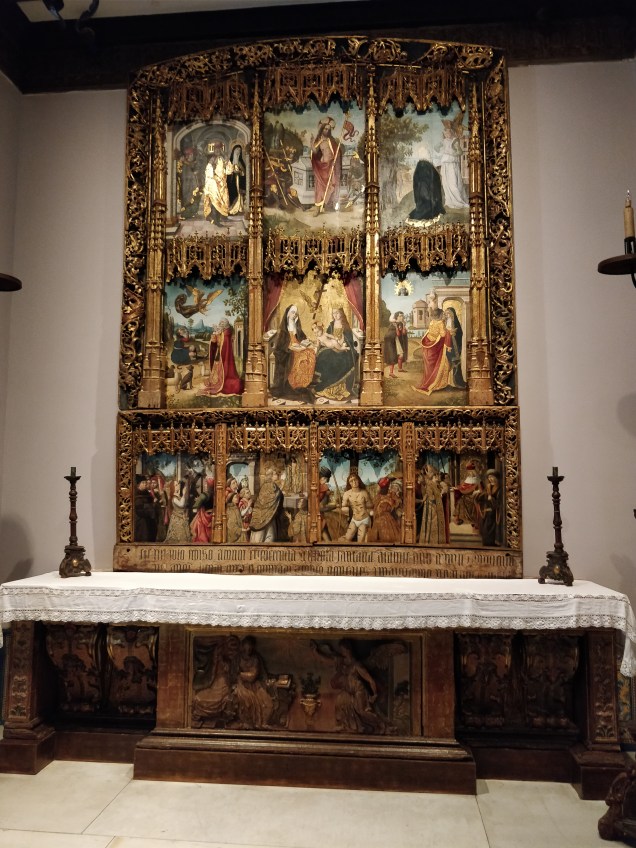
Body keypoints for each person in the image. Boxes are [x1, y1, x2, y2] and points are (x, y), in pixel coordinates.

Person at [312, 307, 358, 403]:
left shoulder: (345, 326)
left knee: (337, 360)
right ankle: (328, 387)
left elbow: (349, 340)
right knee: (325, 357)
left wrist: (343, 343)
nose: (335, 315)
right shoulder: (331, 325)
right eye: (334, 313)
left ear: (342, 313)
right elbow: (327, 337)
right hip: (332, 347)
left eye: (337, 313)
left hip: (343, 349)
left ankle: (339, 388)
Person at [270, 304, 315, 403]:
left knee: (310, 353)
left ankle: (303, 382)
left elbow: (302, 337)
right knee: (299, 356)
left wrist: (305, 342)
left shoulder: (296, 325)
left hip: (297, 346)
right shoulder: (284, 328)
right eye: (292, 312)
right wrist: (289, 348)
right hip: (288, 350)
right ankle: (294, 383)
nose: (294, 315)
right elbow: (281, 344)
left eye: (296, 313)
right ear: (288, 314)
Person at [414, 291, 453, 396]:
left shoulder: (432, 322)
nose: (444, 316)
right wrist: (448, 330)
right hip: (436, 348)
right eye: (443, 315)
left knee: (430, 368)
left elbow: (429, 333)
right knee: (442, 365)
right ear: (440, 315)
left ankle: (430, 383)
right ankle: (437, 385)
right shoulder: (440, 323)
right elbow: (443, 334)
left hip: (429, 348)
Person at [199, 318, 244, 397]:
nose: (220, 325)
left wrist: (217, 335)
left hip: (223, 357)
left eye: (221, 324)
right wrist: (215, 336)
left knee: (223, 372)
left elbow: (222, 343)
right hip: (219, 355)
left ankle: (221, 382)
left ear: (225, 325)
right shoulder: (223, 333)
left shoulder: (226, 333)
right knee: (217, 370)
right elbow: (217, 342)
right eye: (220, 323)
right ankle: (216, 381)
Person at [311, 117, 342, 215]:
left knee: (332, 184)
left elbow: (337, 152)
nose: (327, 131)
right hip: (322, 166)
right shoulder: (319, 140)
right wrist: (312, 143)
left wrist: (336, 158)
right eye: (325, 129)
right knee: (320, 187)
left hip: (331, 166)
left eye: (328, 129)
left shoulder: (331, 140)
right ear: (322, 129)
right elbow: (315, 152)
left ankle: (328, 205)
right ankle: (317, 208)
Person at [249, 465, 287, 543]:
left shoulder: (269, 485)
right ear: (271, 476)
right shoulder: (269, 485)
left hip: (269, 514)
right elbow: (273, 497)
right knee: (263, 537)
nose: (277, 475)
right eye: (275, 474)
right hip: (264, 514)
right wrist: (282, 487)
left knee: (270, 536)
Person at [436, 122, 469, 209]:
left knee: (453, 184)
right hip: (445, 165)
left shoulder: (454, 141)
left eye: (449, 132)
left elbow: (460, 152)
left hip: (452, 164)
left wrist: (450, 153)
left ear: (451, 132)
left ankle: (458, 201)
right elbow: (436, 148)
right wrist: (441, 150)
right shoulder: (443, 141)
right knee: (446, 184)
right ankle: (449, 201)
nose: (447, 134)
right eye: (445, 133)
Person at [203, 141, 235, 226]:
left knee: (224, 200)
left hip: (222, 183)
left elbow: (228, 170)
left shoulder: (223, 158)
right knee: (215, 201)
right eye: (216, 149)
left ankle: (223, 216)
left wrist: (228, 164)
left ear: (221, 149)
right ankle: (216, 220)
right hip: (214, 183)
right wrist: (214, 178)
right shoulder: (212, 159)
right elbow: (208, 170)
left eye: (219, 149)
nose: (217, 150)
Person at [339, 472, 373, 543]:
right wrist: (342, 504)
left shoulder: (364, 492)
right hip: (354, 519)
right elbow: (343, 505)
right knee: (347, 538)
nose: (354, 482)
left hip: (364, 519)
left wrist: (364, 506)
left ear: (358, 480)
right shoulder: (347, 494)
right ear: (349, 483)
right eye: (351, 481)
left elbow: (370, 505)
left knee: (360, 540)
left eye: (355, 480)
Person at [367, 477, 401, 543]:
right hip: (378, 517)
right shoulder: (377, 496)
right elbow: (374, 507)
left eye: (387, 486)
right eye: (386, 486)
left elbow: (397, 503)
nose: (388, 487)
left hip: (387, 517)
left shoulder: (391, 494)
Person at [419, 465, 447, 544]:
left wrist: (440, 492)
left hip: (433, 505)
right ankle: (431, 541)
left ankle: (435, 541)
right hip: (431, 507)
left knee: (434, 523)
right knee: (432, 523)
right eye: (431, 472)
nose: (433, 474)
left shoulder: (432, 483)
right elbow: (431, 497)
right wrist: (439, 495)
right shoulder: (429, 483)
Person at [476, 469, 504, 546]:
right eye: (489, 477)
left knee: (491, 535)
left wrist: (491, 499)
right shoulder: (489, 488)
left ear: (496, 477)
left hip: (496, 517)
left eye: (492, 477)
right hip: (487, 515)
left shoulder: (500, 489)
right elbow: (480, 499)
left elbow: (500, 504)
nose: (490, 479)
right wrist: (480, 494)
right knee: (485, 533)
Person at [444, 307, 467, 388]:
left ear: (452, 314)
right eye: (446, 313)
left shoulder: (456, 323)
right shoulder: (445, 322)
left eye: (449, 313)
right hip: (447, 346)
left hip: (454, 346)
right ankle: (447, 382)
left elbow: (460, 333)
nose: (447, 315)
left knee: (455, 362)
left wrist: (454, 334)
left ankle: (456, 382)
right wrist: (447, 334)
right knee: (447, 363)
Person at [383, 311, 408, 378]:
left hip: (394, 339)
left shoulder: (399, 323)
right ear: (397, 317)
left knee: (400, 355)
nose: (402, 317)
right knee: (392, 356)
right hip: (391, 340)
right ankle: (391, 373)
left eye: (402, 316)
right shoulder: (397, 323)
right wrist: (400, 327)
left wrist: (403, 325)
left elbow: (403, 333)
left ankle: (400, 368)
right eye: (400, 316)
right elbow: (399, 334)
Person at [226, 143, 246, 216]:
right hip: (232, 181)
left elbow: (244, 172)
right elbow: (227, 172)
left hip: (239, 180)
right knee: (233, 194)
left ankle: (240, 209)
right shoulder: (230, 162)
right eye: (237, 150)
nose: (238, 152)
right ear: (234, 151)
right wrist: (233, 172)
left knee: (240, 194)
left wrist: (240, 172)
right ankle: (232, 210)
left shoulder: (241, 162)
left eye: (239, 151)